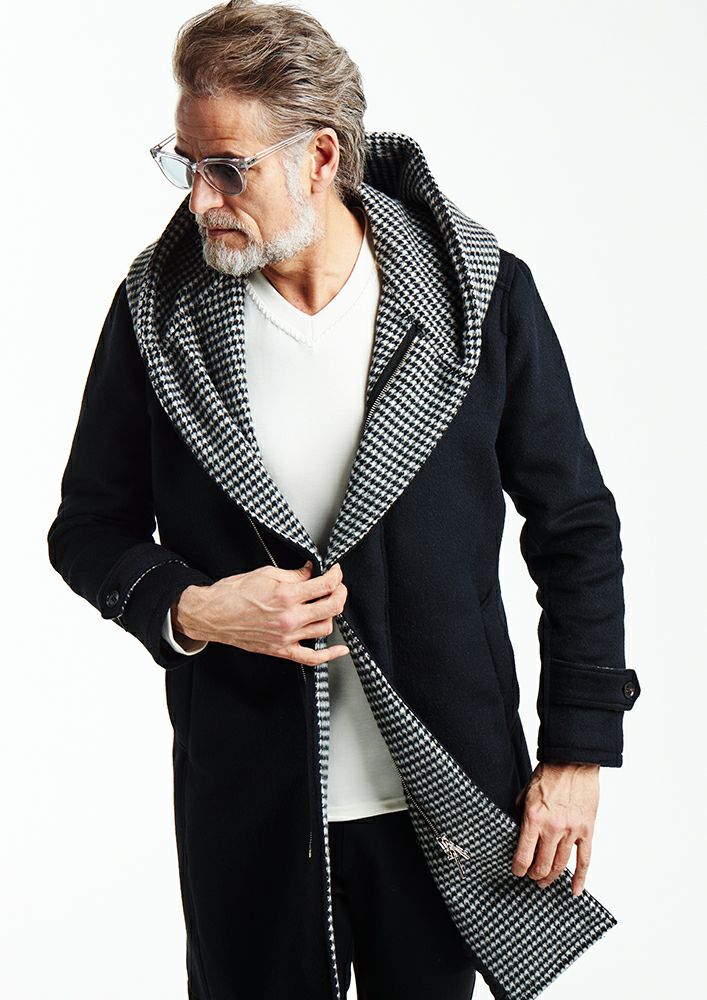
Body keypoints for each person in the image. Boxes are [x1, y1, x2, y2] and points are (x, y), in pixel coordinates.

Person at [46, 2, 642, 999]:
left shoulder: (475, 297)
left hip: (446, 799)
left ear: (319, 156)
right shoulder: (156, 311)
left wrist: (578, 750)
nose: (198, 199)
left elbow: (574, 527)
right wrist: (194, 608)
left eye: (226, 167)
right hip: (249, 805)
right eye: (183, 164)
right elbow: (87, 527)